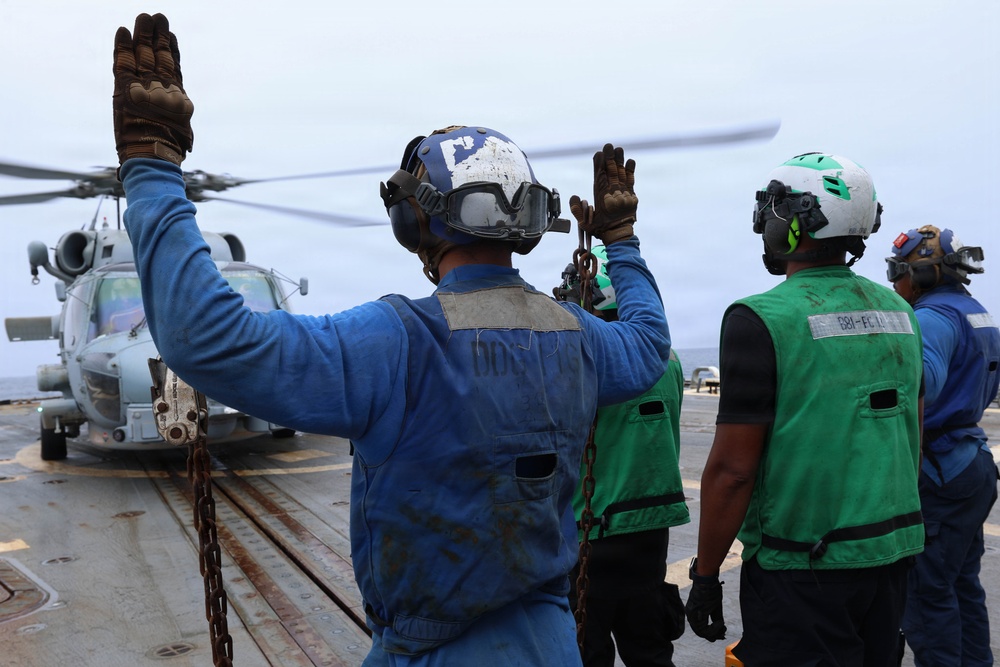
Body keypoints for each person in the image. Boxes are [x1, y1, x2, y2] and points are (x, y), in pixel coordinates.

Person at [111, 14, 671, 666]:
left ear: (416, 220)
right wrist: (622, 243)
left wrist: (153, 170)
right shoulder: (580, 336)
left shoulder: (395, 342)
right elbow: (649, 339)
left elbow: (207, 337)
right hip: (551, 643)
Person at [685, 152, 925, 666]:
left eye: (773, 209)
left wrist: (705, 575)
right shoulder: (900, 311)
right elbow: (911, 432)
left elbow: (732, 470)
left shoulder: (761, 319)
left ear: (798, 222)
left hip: (802, 571)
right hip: (890, 559)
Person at [556, 246, 690, 667]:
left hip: (591, 530)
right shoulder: (669, 361)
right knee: (648, 646)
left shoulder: (585, 357)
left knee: (585, 648)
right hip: (651, 530)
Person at [885, 225, 999, 666]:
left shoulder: (928, 319)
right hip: (971, 462)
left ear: (924, 274)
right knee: (962, 585)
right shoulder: (978, 312)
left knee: (927, 595)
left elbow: (918, 390)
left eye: (898, 271)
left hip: (939, 472)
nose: (893, 283)